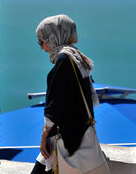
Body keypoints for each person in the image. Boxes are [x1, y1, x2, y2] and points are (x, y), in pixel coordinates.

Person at [31, 14, 99, 174]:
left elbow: (56, 105)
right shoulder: (77, 58)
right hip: (78, 136)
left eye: (41, 41)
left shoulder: (64, 60)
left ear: (54, 37)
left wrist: (44, 134)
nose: (42, 47)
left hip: (64, 142)